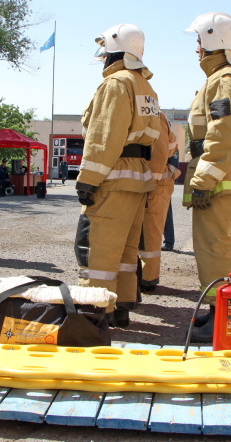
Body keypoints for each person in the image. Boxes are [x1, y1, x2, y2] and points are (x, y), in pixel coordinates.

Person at [74, 23, 160, 328]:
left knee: (96, 248)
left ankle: (94, 313)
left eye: (105, 54)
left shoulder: (116, 84)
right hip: (137, 179)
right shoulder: (145, 86)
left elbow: (104, 137)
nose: (103, 60)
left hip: (112, 176)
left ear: (115, 52)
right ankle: (121, 307)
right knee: (124, 251)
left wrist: (88, 180)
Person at [182, 12, 231, 343]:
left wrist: (203, 180)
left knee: (215, 248)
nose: (196, 49)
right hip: (228, 173)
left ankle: (221, 320)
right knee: (221, 246)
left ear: (213, 40)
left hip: (220, 178)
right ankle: (221, 313)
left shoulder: (225, 79)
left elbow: (223, 135)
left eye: (199, 41)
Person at [138, 113, 180, 293]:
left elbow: (161, 151)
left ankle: (148, 279)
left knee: (151, 234)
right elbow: (170, 148)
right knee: (146, 234)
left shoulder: (153, 115)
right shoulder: (156, 115)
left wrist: (151, 184)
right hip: (154, 184)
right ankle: (143, 277)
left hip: (154, 186)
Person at [161, 150, 180, 252]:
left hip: (163, 183)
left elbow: (174, 167)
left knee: (166, 211)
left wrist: (167, 179)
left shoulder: (170, 140)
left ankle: (169, 242)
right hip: (148, 180)